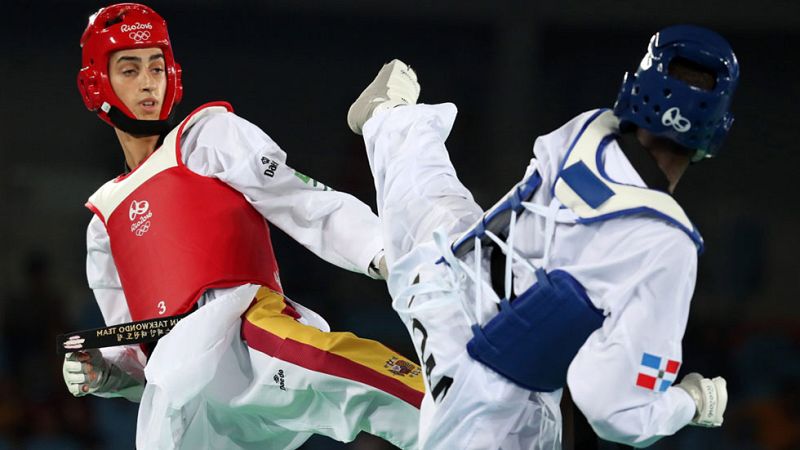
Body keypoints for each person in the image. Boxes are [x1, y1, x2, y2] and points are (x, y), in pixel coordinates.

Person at [347, 24, 738, 449]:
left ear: (636, 89)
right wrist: (691, 401)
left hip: (439, 272)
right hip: (486, 388)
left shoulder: (587, 129)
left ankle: (389, 116)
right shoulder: (668, 245)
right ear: (715, 132)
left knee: (427, 192)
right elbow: (614, 413)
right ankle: (390, 124)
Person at [61, 3, 424, 449]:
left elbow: (300, 200)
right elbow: (137, 351)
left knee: (372, 381)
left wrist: (385, 252)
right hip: (181, 400)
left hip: (244, 334)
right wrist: (106, 373)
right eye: (130, 70)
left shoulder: (208, 136)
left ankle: (478, 420)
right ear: (97, 83)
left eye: (156, 67)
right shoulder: (103, 223)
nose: (148, 82)